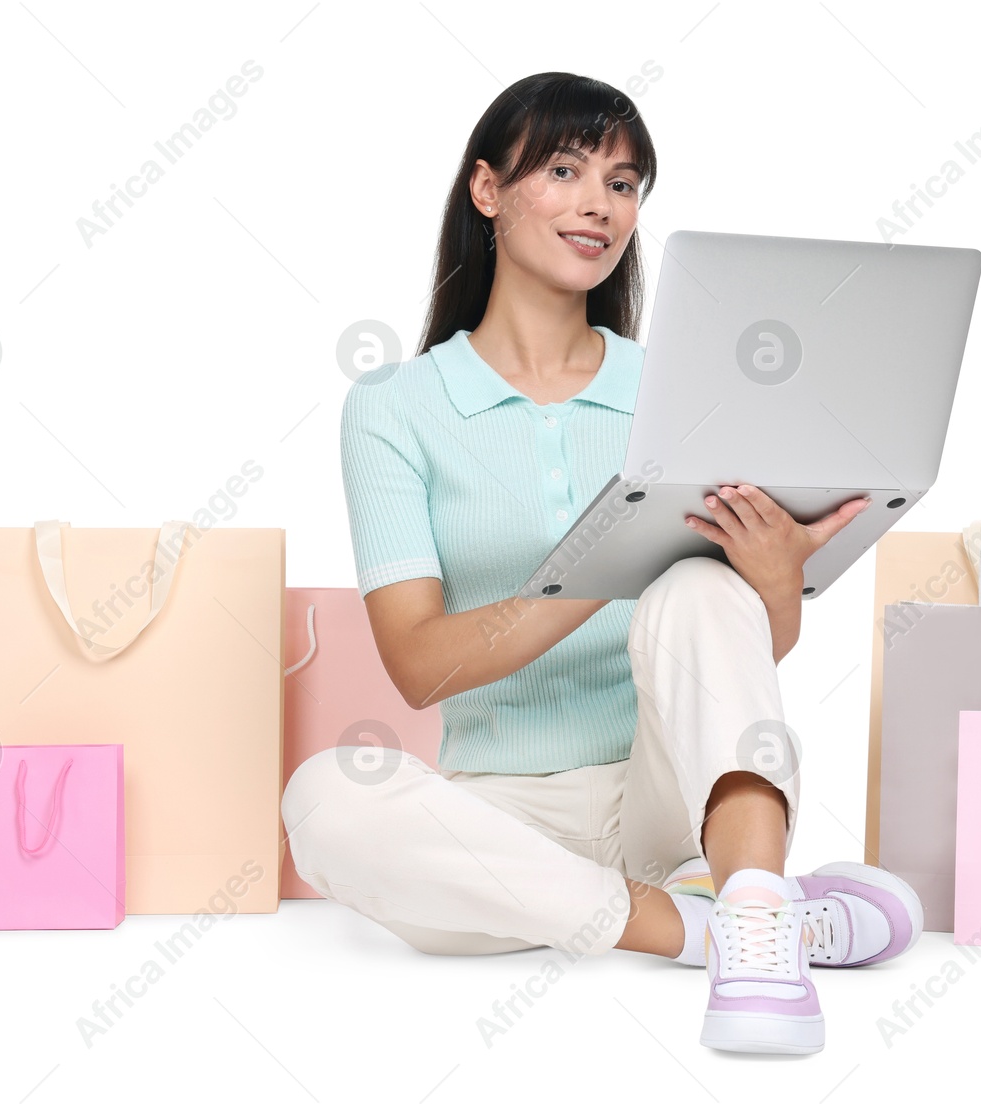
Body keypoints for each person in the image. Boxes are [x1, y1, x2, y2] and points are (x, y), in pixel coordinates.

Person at [283, 71, 922, 1056]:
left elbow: (743, 654)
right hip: (498, 824)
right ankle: (743, 929)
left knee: (700, 582)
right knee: (326, 798)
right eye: (566, 169)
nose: (599, 204)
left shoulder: (678, 390)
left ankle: (746, 890)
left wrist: (770, 576)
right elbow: (415, 663)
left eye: (624, 184)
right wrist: (602, 558)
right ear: (488, 190)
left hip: (669, 797)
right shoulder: (395, 406)